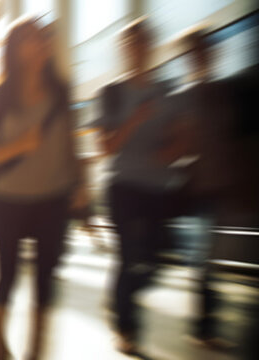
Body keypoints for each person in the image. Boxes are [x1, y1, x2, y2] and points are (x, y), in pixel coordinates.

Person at [0, 17, 88, 360]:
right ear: (16, 50)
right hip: (10, 198)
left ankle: (36, 350)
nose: (42, 43)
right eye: (32, 38)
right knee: (8, 276)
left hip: (55, 196)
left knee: (46, 279)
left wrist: (82, 186)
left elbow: (71, 147)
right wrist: (19, 145)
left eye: (43, 37)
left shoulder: (61, 92)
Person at [94, 17, 183, 356]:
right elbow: (105, 148)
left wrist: (175, 149)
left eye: (143, 42)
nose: (138, 49)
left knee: (159, 260)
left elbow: (178, 140)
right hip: (123, 187)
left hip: (160, 188)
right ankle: (126, 328)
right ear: (123, 50)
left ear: (151, 46)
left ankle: (119, 297)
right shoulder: (111, 93)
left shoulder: (166, 90)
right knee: (130, 257)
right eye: (131, 44)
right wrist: (134, 120)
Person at [168, 25, 238, 350]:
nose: (201, 56)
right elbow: (176, 148)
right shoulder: (182, 98)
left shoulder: (223, 92)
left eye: (205, 50)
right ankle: (204, 326)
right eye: (195, 51)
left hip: (218, 186)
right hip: (193, 190)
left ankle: (205, 322)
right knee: (202, 259)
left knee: (206, 260)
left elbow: (229, 141)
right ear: (188, 57)